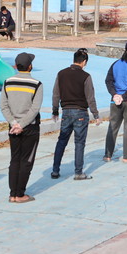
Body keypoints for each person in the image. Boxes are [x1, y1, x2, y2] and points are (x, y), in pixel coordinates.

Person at [0, 53, 43, 203]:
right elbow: (35, 109)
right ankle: (20, 194)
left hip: (13, 128)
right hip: (29, 127)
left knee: (15, 160)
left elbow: (3, 106)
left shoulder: (7, 82)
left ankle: (12, 194)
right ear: (30, 66)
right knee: (26, 161)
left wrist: (14, 123)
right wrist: (22, 125)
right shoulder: (36, 84)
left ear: (16, 66)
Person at [51, 48, 100, 180]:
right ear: (84, 62)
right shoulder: (86, 76)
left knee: (62, 141)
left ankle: (55, 170)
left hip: (66, 111)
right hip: (80, 112)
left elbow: (56, 94)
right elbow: (90, 97)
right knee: (79, 143)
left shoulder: (61, 74)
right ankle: (78, 172)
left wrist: (55, 110)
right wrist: (96, 115)